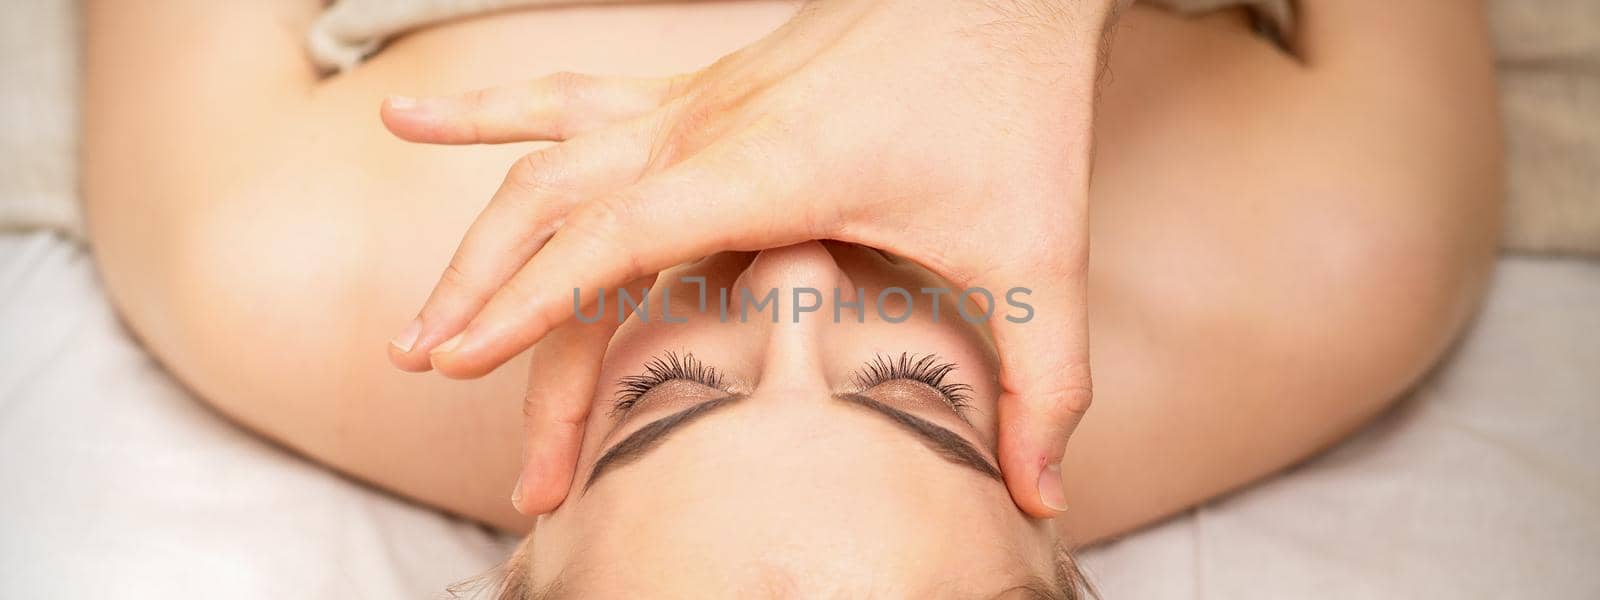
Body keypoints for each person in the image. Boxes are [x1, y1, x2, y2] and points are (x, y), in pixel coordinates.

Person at [82, 0, 1501, 594]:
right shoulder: (1336, 255)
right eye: (925, 393)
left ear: (516, 569)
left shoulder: (266, 258)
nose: (799, 279)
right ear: (1068, 569)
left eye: (664, 392)